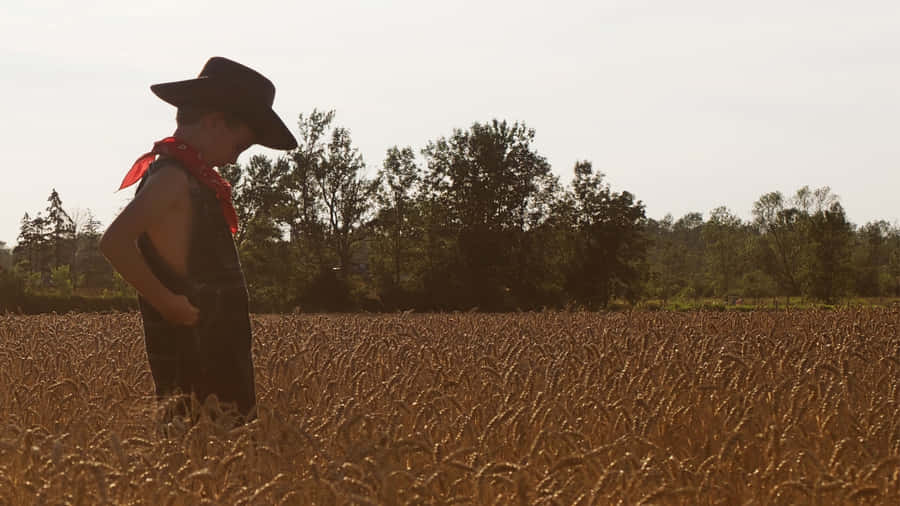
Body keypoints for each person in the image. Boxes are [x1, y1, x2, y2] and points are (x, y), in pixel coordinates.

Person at [100, 57, 297, 423]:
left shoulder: (193, 180)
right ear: (215, 122)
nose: (238, 158)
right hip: (193, 359)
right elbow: (114, 243)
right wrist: (167, 302)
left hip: (218, 355)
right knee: (196, 455)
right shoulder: (173, 178)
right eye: (241, 144)